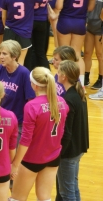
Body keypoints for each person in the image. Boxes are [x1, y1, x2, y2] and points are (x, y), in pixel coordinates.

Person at [9, 67, 69, 201]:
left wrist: (15, 164)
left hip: (32, 158)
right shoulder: (62, 102)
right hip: (53, 157)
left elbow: (25, 139)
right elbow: (62, 132)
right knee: (45, 198)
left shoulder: (32, 106)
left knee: (17, 198)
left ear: (34, 85)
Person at [0, 40, 35, 143]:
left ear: (14, 56)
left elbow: (30, 100)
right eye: (0, 53)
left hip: (17, 123)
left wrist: (28, 124)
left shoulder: (24, 73)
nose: (1, 56)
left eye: (4, 54)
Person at [56, 60, 89, 201]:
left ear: (64, 76)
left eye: (58, 71)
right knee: (73, 188)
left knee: (67, 193)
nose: (56, 74)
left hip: (69, 152)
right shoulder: (78, 93)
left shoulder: (68, 99)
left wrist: (60, 153)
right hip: (78, 148)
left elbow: (67, 131)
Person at [55, 0, 96, 89]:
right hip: (80, 22)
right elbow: (90, 8)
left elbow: (59, 6)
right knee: (77, 54)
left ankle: (62, 85)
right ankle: (81, 85)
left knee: (64, 55)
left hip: (65, 20)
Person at [0, 0, 35, 65]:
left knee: (6, 60)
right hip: (24, 31)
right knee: (20, 61)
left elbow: (3, 17)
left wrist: (7, 28)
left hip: (9, 30)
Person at [24, 0, 50, 71]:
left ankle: (28, 76)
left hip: (30, 20)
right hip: (42, 21)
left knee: (29, 51)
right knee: (40, 52)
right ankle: (48, 75)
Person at [84, 0, 103, 89]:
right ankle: (86, 76)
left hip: (100, 27)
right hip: (90, 27)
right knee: (87, 53)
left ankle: (101, 79)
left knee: (100, 54)